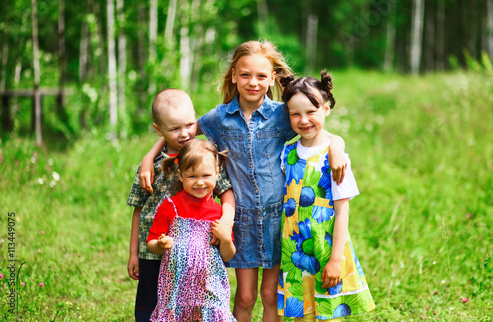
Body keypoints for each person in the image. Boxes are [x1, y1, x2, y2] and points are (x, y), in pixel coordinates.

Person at [139, 40, 347, 322]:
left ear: (272, 78)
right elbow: (182, 131)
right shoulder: (220, 117)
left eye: (261, 76)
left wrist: (337, 147)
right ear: (234, 75)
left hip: (279, 218)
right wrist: (149, 156)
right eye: (245, 75)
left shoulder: (281, 114)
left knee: (271, 294)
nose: (253, 82)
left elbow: (316, 129)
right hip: (242, 222)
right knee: (245, 297)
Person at [126, 89, 235, 322]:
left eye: (189, 125)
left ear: (195, 118)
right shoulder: (151, 166)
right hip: (152, 248)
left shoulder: (204, 156)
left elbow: (226, 193)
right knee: (149, 303)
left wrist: (225, 224)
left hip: (194, 254)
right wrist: (133, 253)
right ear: (159, 130)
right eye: (175, 129)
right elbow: (139, 211)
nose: (184, 134)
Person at [277, 71, 375, 321]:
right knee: (302, 314)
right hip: (295, 250)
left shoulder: (337, 159)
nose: (304, 120)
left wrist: (335, 260)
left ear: (326, 109)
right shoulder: (286, 152)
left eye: (311, 111)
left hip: (326, 248)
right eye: (295, 114)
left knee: (328, 313)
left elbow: (342, 211)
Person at [147, 139, 237, 322]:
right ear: (180, 175)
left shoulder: (219, 213)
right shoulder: (170, 206)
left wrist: (226, 239)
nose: (200, 183)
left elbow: (227, 256)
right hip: (176, 288)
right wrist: (161, 244)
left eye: (206, 175)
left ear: (217, 174)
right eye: (192, 176)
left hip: (209, 287)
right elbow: (152, 243)